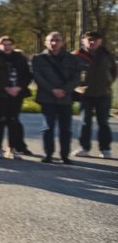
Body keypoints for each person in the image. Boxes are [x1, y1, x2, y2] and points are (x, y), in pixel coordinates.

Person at [31, 31, 84, 164]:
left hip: (65, 98)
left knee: (66, 129)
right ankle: (48, 154)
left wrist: (65, 90)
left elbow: (77, 78)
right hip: (47, 97)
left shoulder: (72, 59)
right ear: (45, 42)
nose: (54, 43)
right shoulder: (38, 58)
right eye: (51, 40)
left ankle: (64, 155)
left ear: (62, 42)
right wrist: (53, 90)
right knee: (48, 127)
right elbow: (38, 77)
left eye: (57, 40)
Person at [0, 35, 33, 159]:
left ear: (14, 46)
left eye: (9, 44)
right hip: (0, 94)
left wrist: (19, 87)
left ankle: (12, 147)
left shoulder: (20, 58)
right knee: (0, 120)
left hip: (17, 93)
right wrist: (5, 88)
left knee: (13, 121)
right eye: (4, 44)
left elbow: (27, 75)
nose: (7, 46)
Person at [73, 31, 115, 159]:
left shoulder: (107, 55)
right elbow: (70, 73)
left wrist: (107, 83)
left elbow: (113, 72)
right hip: (85, 94)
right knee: (85, 122)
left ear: (100, 41)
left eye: (95, 40)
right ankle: (84, 148)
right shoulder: (76, 55)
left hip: (104, 94)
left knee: (103, 122)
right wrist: (77, 87)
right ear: (83, 41)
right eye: (89, 40)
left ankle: (105, 149)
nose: (92, 42)